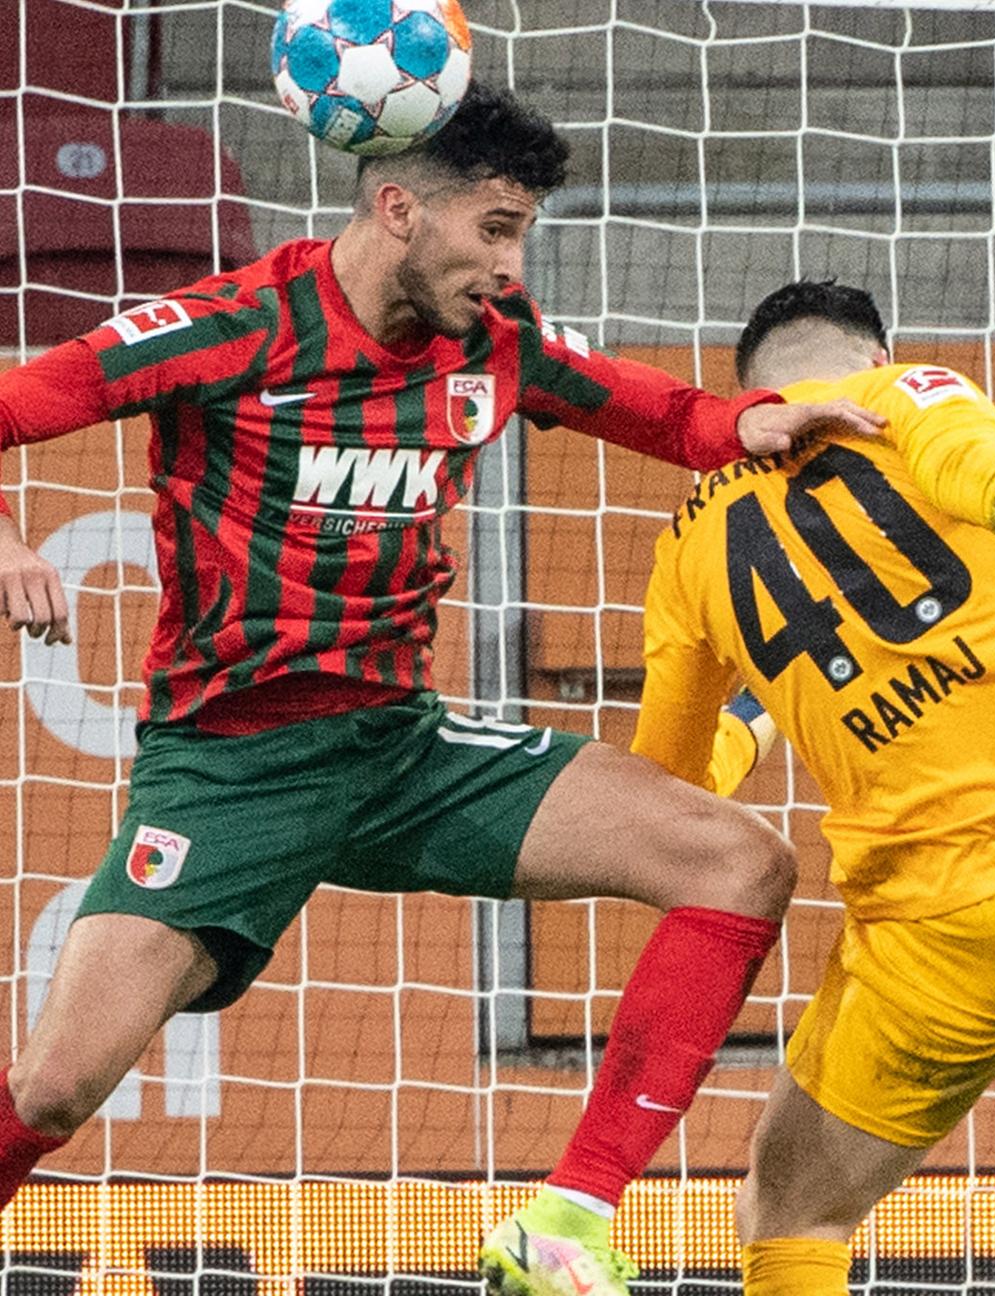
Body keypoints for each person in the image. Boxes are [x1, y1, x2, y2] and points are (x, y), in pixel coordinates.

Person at [0, 87, 886, 1290]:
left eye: (522, 235)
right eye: (498, 229)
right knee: (54, 1087)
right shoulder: (230, 326)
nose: (513, 264)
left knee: (742, 860)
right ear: (399, 205)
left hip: (403, 751)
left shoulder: (497, 338)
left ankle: (567, 1218)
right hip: (228, 769)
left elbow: (665, 412)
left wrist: (762, 418)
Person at [631, 278, 995, 1296]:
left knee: (790, 1210)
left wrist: (753, 717)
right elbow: (992, 476)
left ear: (751, 399)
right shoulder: (907, 394)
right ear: (869, 357)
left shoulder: (687, 552)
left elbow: (671, 787)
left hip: (949, 936)